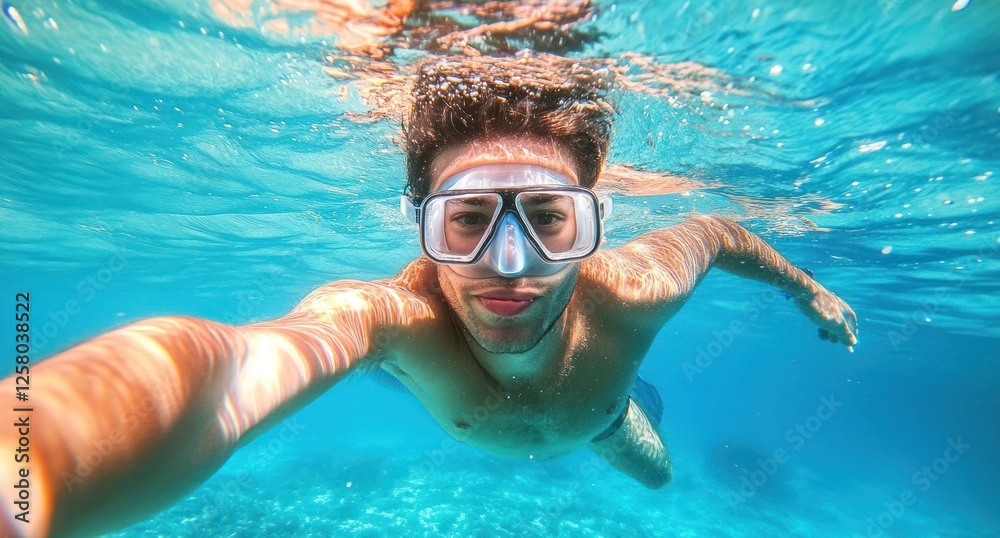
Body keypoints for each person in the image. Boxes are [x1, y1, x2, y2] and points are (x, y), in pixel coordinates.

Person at [1, 55, 857, 537]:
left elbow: (719, 233)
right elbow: (226, 367)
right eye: (468, 220)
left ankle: (621, 412)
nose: (511, 265)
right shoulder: (390, 315)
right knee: (377, 358)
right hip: (432, 367)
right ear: (422, 230)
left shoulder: (634, 288)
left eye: (551, 220)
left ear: (592, 222)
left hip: (604, 420)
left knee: (662, 479)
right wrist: (26, 472)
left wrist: (810, 292)